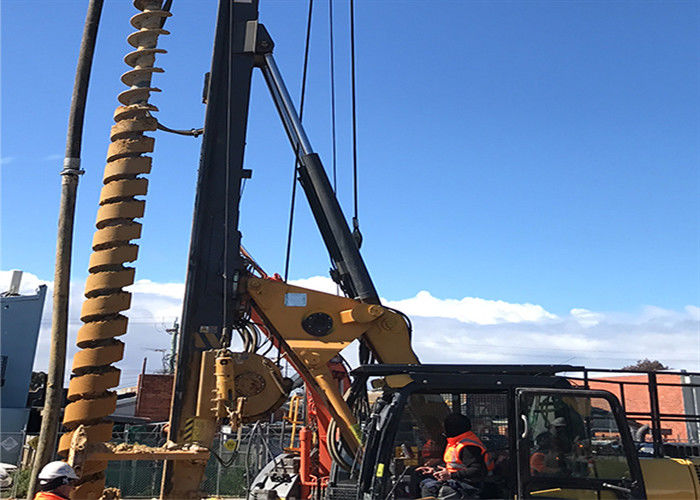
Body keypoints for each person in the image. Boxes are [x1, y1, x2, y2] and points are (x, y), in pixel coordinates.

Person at [416, 413, 494, 499]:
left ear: (452, 428)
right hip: (456, 480)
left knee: (438, 490)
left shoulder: (468, 446)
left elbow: (477, 470)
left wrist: (451, 475)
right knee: (425, 484)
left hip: (468, 485)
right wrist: (434, 470)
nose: (443, 430)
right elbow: (452, 465)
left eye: (445, 427)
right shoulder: (454, 442)